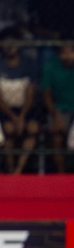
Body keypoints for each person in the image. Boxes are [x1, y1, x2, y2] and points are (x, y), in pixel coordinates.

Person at [0, 38, 40, 175]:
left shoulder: (28, 63)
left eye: (13, 43)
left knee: (33, 128)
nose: (10, 46)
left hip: (26, 109)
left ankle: (19, 169)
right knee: (9, 130)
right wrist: (14, 118)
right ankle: (10, 169)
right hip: (6, 109)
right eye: (7, 43)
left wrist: (21, 117)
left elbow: (31, 93)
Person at [40, 42, 74, 170]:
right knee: (56, 136)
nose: (67, 56)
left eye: (71, 52)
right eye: (64, 53)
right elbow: (46, 94)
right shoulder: (52, 65)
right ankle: (61, 173)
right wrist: (56, 116)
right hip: (59, 110)